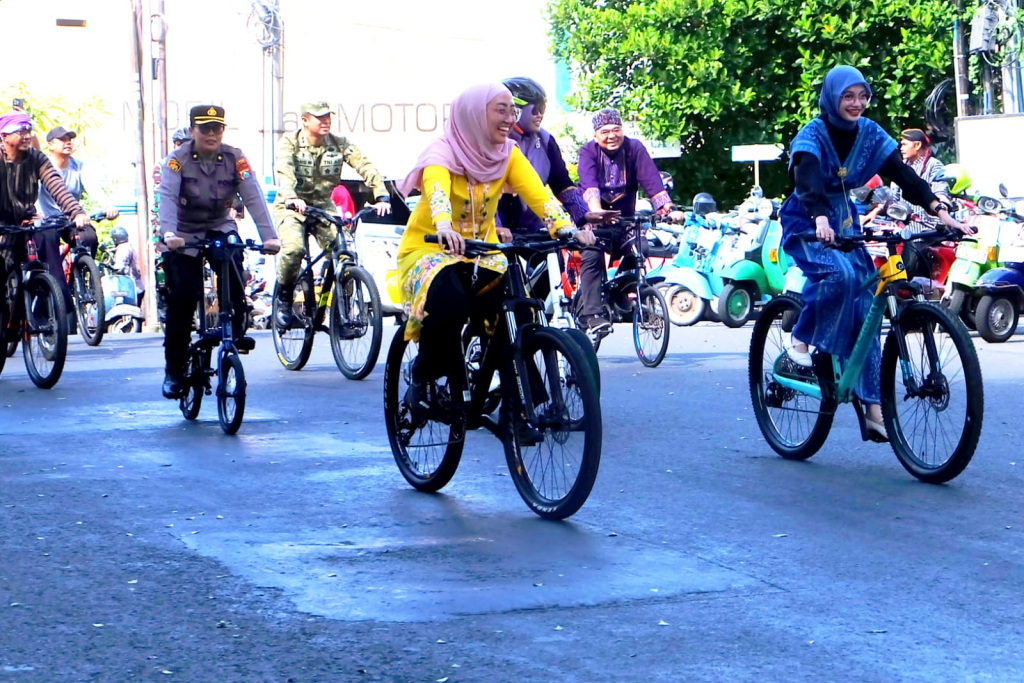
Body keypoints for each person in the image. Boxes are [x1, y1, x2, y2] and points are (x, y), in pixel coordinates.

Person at [778, 66, 972, 441]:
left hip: (845, 220)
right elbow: (807, 180)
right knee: (842, 276)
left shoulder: (870, 134)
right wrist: (819, 217)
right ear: (832, 98)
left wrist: (940, 209)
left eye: (862, 96)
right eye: (847, 96)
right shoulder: (812, 135)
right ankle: (799, 342)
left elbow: (903, 175)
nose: (856, 104)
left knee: (868, 309)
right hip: (807, 220)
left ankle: (872, 410)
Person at [395, 82, 595, 412]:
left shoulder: (507, 155)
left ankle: (524, 402)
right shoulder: (441, 152)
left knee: (519, 308)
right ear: (474, 114)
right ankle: (423, 380)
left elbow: (539, 194)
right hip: (429, 249)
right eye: (500, 110)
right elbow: (436, 189)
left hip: (481, 253)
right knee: (451, 302)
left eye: (512, 111)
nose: (509, 118)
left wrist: (567, 229)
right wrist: (443, 223)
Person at [157, 105, 281, 399]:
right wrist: (169, 233)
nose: (212, 134)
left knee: (233, 258)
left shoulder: (235, 157)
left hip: (218, 225)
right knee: (183, 298)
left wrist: (270, 237)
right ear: (192, 132)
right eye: (205, 128)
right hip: (182, 232)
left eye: (217, 128)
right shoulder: (176, 161)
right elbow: (168, 197)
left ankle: (235, 326)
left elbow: (253, 196)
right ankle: (174, 370)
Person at [273, 101, 391, 328]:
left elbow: (364, 164)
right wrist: (290, 196)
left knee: (345, 254)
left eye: (328, 117)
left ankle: (342, 311)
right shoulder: (290, 142)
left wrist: (381, 195)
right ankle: (285, 298)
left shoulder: (339, 144)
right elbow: (284, 170)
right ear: (305, 120)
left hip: (323, 207)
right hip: (292, 206)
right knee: (294, 249)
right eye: (320, 117)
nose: (326, 121)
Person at [574, 107, 685, 334]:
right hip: (595, 220)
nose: (611, 135)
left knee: (641, 248)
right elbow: (588, 184)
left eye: (616, 129)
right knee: (592, 255)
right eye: (605, 131)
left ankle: (622, 290)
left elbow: (652, 180)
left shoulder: (634, 148)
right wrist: (596, 211)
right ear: (595, 135)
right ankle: (592, 314)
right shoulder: (588, 152)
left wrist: (668, 208)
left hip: (625, 221)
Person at [495, 77, 616, 240]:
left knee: (554, 260)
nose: (540, 115)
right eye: (535, 109)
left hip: (535, 223)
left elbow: (562, 184)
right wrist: (495, 226)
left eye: (542, 109)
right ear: (516, 109)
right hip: (496, 227)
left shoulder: (546, 140)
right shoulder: (493, 140)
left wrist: (584, 213)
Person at [36, 125, 120, 321]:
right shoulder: (43, 166)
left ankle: (81, 274)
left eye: (70, 138)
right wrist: (36, 213)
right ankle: (58, 294)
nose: (68, 142)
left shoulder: (78, 166)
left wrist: (108, 205)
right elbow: (34, 194)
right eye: (62, 139)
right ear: (50, 145)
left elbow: (93, 186)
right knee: (48, 251)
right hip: (48, 221)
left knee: (89, 236)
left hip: (72, 218)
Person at [0, 111, 88, 253]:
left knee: (49, 239)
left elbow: (57, 186)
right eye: (21, 132)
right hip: (3, 225)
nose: (28, 136)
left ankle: (52, 276)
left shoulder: (37, 158)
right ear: (5, 136)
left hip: (28, 221)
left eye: (29, 131)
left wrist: (76, 211)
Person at [111, 225, 145, 311]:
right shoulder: (129, 246)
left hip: (130, 287)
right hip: (138, 286)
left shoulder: (122, 248)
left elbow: (119, 266)